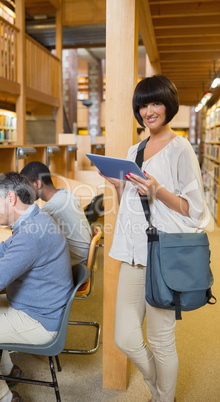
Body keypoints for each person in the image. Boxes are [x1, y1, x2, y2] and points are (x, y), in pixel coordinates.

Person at [101, 75, 210, 402]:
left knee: (161, 340)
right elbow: (131, 211)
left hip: (164, 258)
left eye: (155, 103)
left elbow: (197, 213)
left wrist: (158, 191)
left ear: (168, 105)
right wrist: (119, 188)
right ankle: (161, 390)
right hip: (134, 255)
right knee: (125, 337)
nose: (148, 111)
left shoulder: (181, 149)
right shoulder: (135, 149)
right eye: (143, 105)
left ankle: (164, 399)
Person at [0, 172, 73, 402]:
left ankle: (3, 399)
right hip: (39, 307)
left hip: (39, 320)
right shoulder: (35, 219)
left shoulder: (30, 234)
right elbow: (4, 247)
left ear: (10, 199)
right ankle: (8, 371)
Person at [21, 161, 92, 266]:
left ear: (38, 184)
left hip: (76, 265)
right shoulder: (66, 194)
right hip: (83, 257)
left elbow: (27, 234)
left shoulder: (51, 207)